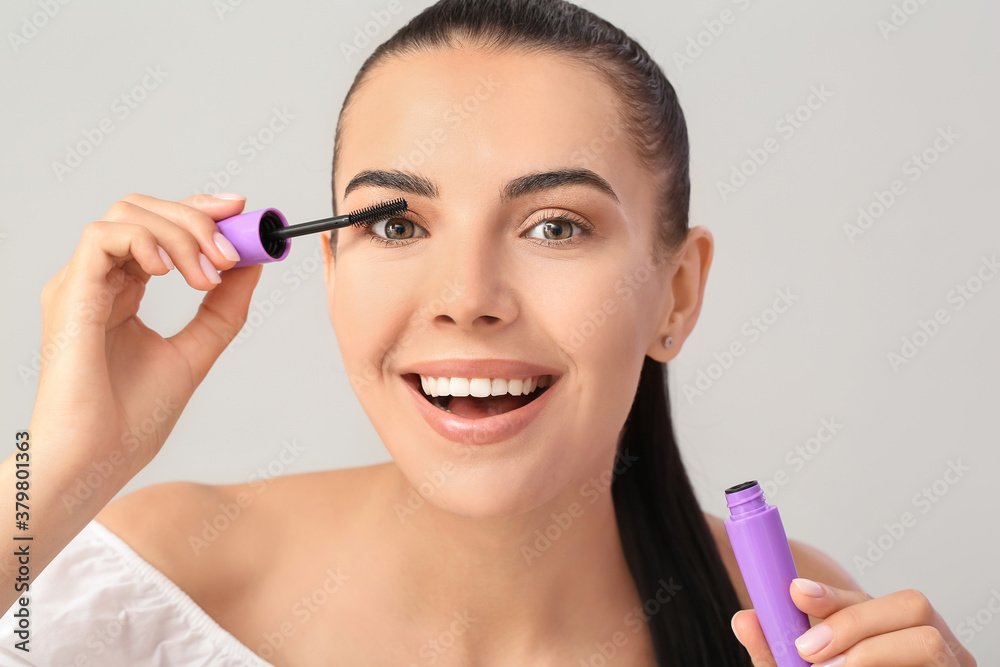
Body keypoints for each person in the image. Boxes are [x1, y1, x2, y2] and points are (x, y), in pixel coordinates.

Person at [0, 0, 978, 665]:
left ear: (676, 293)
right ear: (332, 271)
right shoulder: (149, 574)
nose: (467, 297)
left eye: (554, 226)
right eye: (395, 223)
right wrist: (58, 471)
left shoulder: (793, 616)